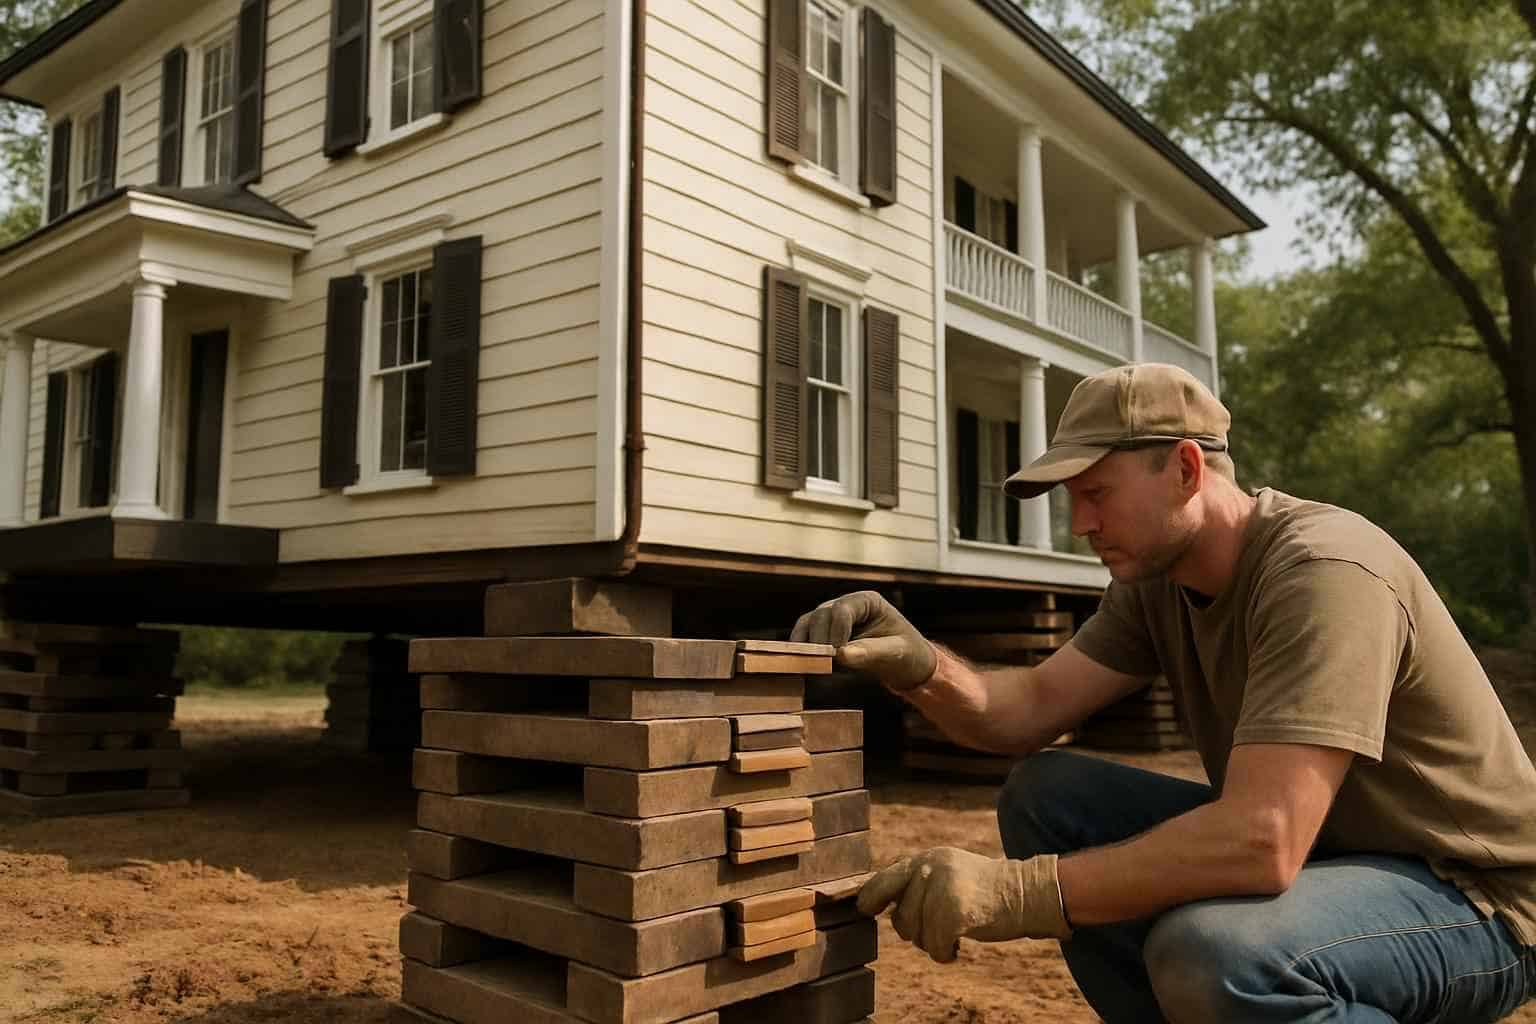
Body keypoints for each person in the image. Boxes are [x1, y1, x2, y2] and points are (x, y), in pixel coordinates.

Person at [791, 363, 1536, 1023]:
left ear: (1185, 468)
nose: (1079, 523)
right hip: (1335, 861)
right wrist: (921, 665)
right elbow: (1027, 710)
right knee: (1048, 795)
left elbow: (1263, 841)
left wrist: (1017, 893)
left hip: (1475, 900)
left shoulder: (1325, 573)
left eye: (1095, 493)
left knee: (1216, 957)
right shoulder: (1157, 585)